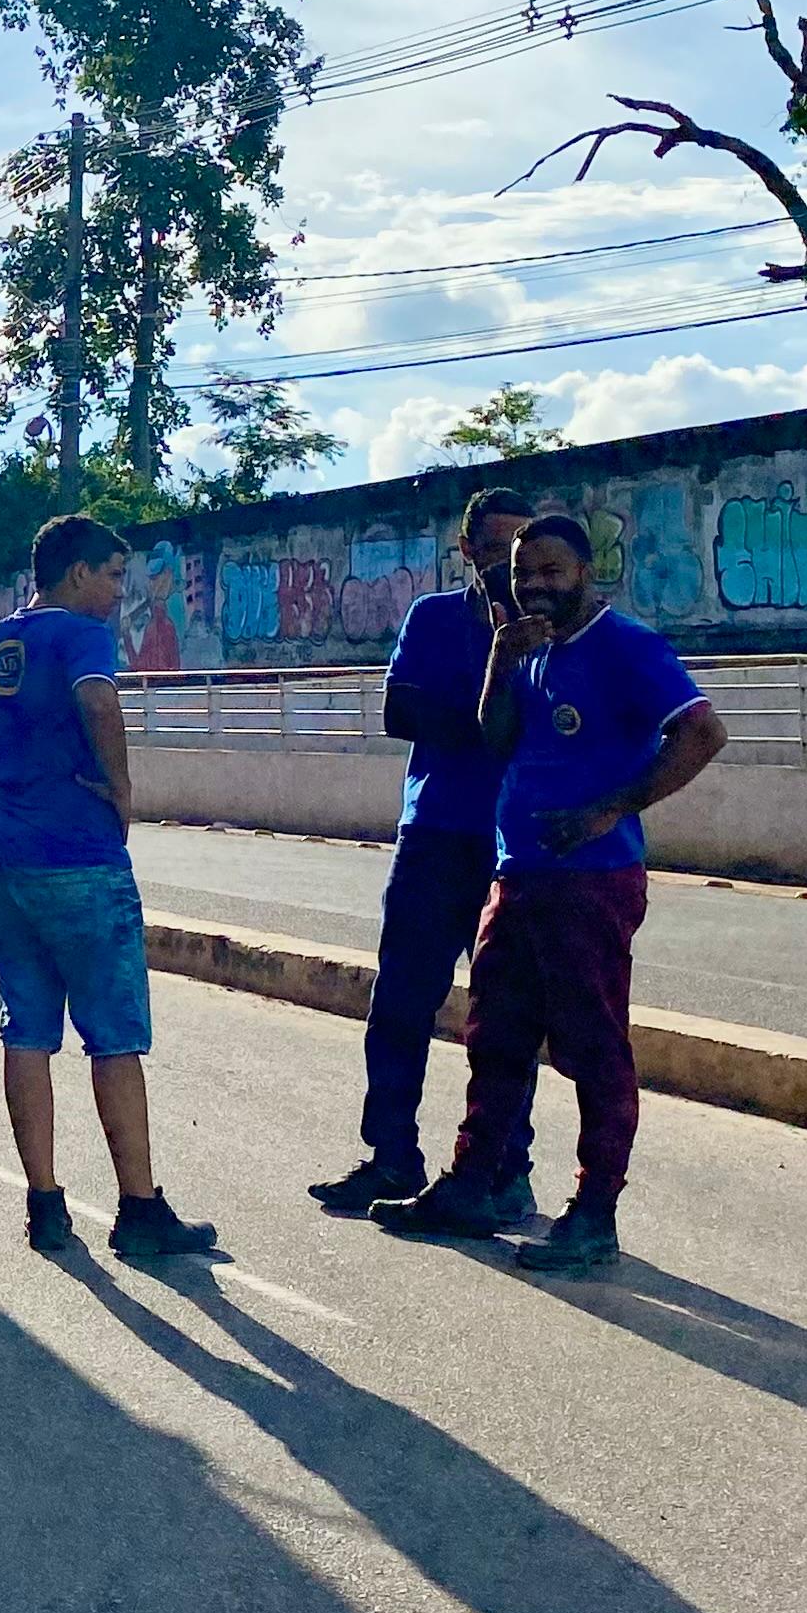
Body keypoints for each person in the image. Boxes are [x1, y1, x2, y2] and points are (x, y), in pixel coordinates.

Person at [374, 515, 728, 1274]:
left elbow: (702, 732)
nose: (534, 585)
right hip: (519, 873)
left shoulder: (627, 646)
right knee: (494, 1035)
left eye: (552, 572)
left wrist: (613, 807)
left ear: (587, 571)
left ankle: (594, 1212)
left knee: (593, 1048)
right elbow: (498, 737)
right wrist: (502, 661)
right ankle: (472, 1185)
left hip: (590, 882)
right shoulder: (531, 650)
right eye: (523, 571)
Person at [0, 514, 217, 1262]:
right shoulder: (79, 634)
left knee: (27, 1030)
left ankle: (44, 1204)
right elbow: (99, 703)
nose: (116, 593)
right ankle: (139, 1207)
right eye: (112, 576)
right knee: (114, 1036)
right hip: (80, 858)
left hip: (3, 857)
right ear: (75, 574)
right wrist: (122, 790)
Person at [310, 488, 544, 1221]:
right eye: (498, 547)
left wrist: (486, 712)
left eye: (524, 549)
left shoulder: (554, 633)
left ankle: (504, 1167)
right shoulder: (434, 617)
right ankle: (391, 1155)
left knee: (504, 1015)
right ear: (467, 548)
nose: (513, 565)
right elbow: (399, 710)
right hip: (435, 831)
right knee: (402, 1002)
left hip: (516, 845)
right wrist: (491, 713)